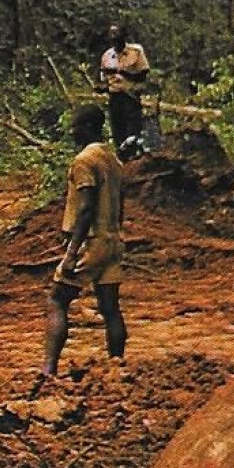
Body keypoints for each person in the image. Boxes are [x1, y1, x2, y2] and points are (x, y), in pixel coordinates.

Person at [40, 105, 126, 382]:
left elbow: (86, 208)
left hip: (90, 243)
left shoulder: (84, 162)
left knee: (56, 299)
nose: (72, 132)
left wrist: (71, 252)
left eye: (76, 126)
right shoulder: (113, 160)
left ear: (88, 127)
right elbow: (120, 203)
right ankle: (117, 365)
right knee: (110, 308)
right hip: (113, 240)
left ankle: (48, 371)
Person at [99, 23, 150, 160]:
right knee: (118, 132)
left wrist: (124, 73)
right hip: (115, 98)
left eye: (116, 34)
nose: (114, 38)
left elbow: (143, 74)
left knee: (132, 134)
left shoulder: (136, 51)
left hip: (131, 97)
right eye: (111, 35)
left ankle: (135, 160)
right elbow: (104, 79)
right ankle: (122, 162)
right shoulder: (107, 56)